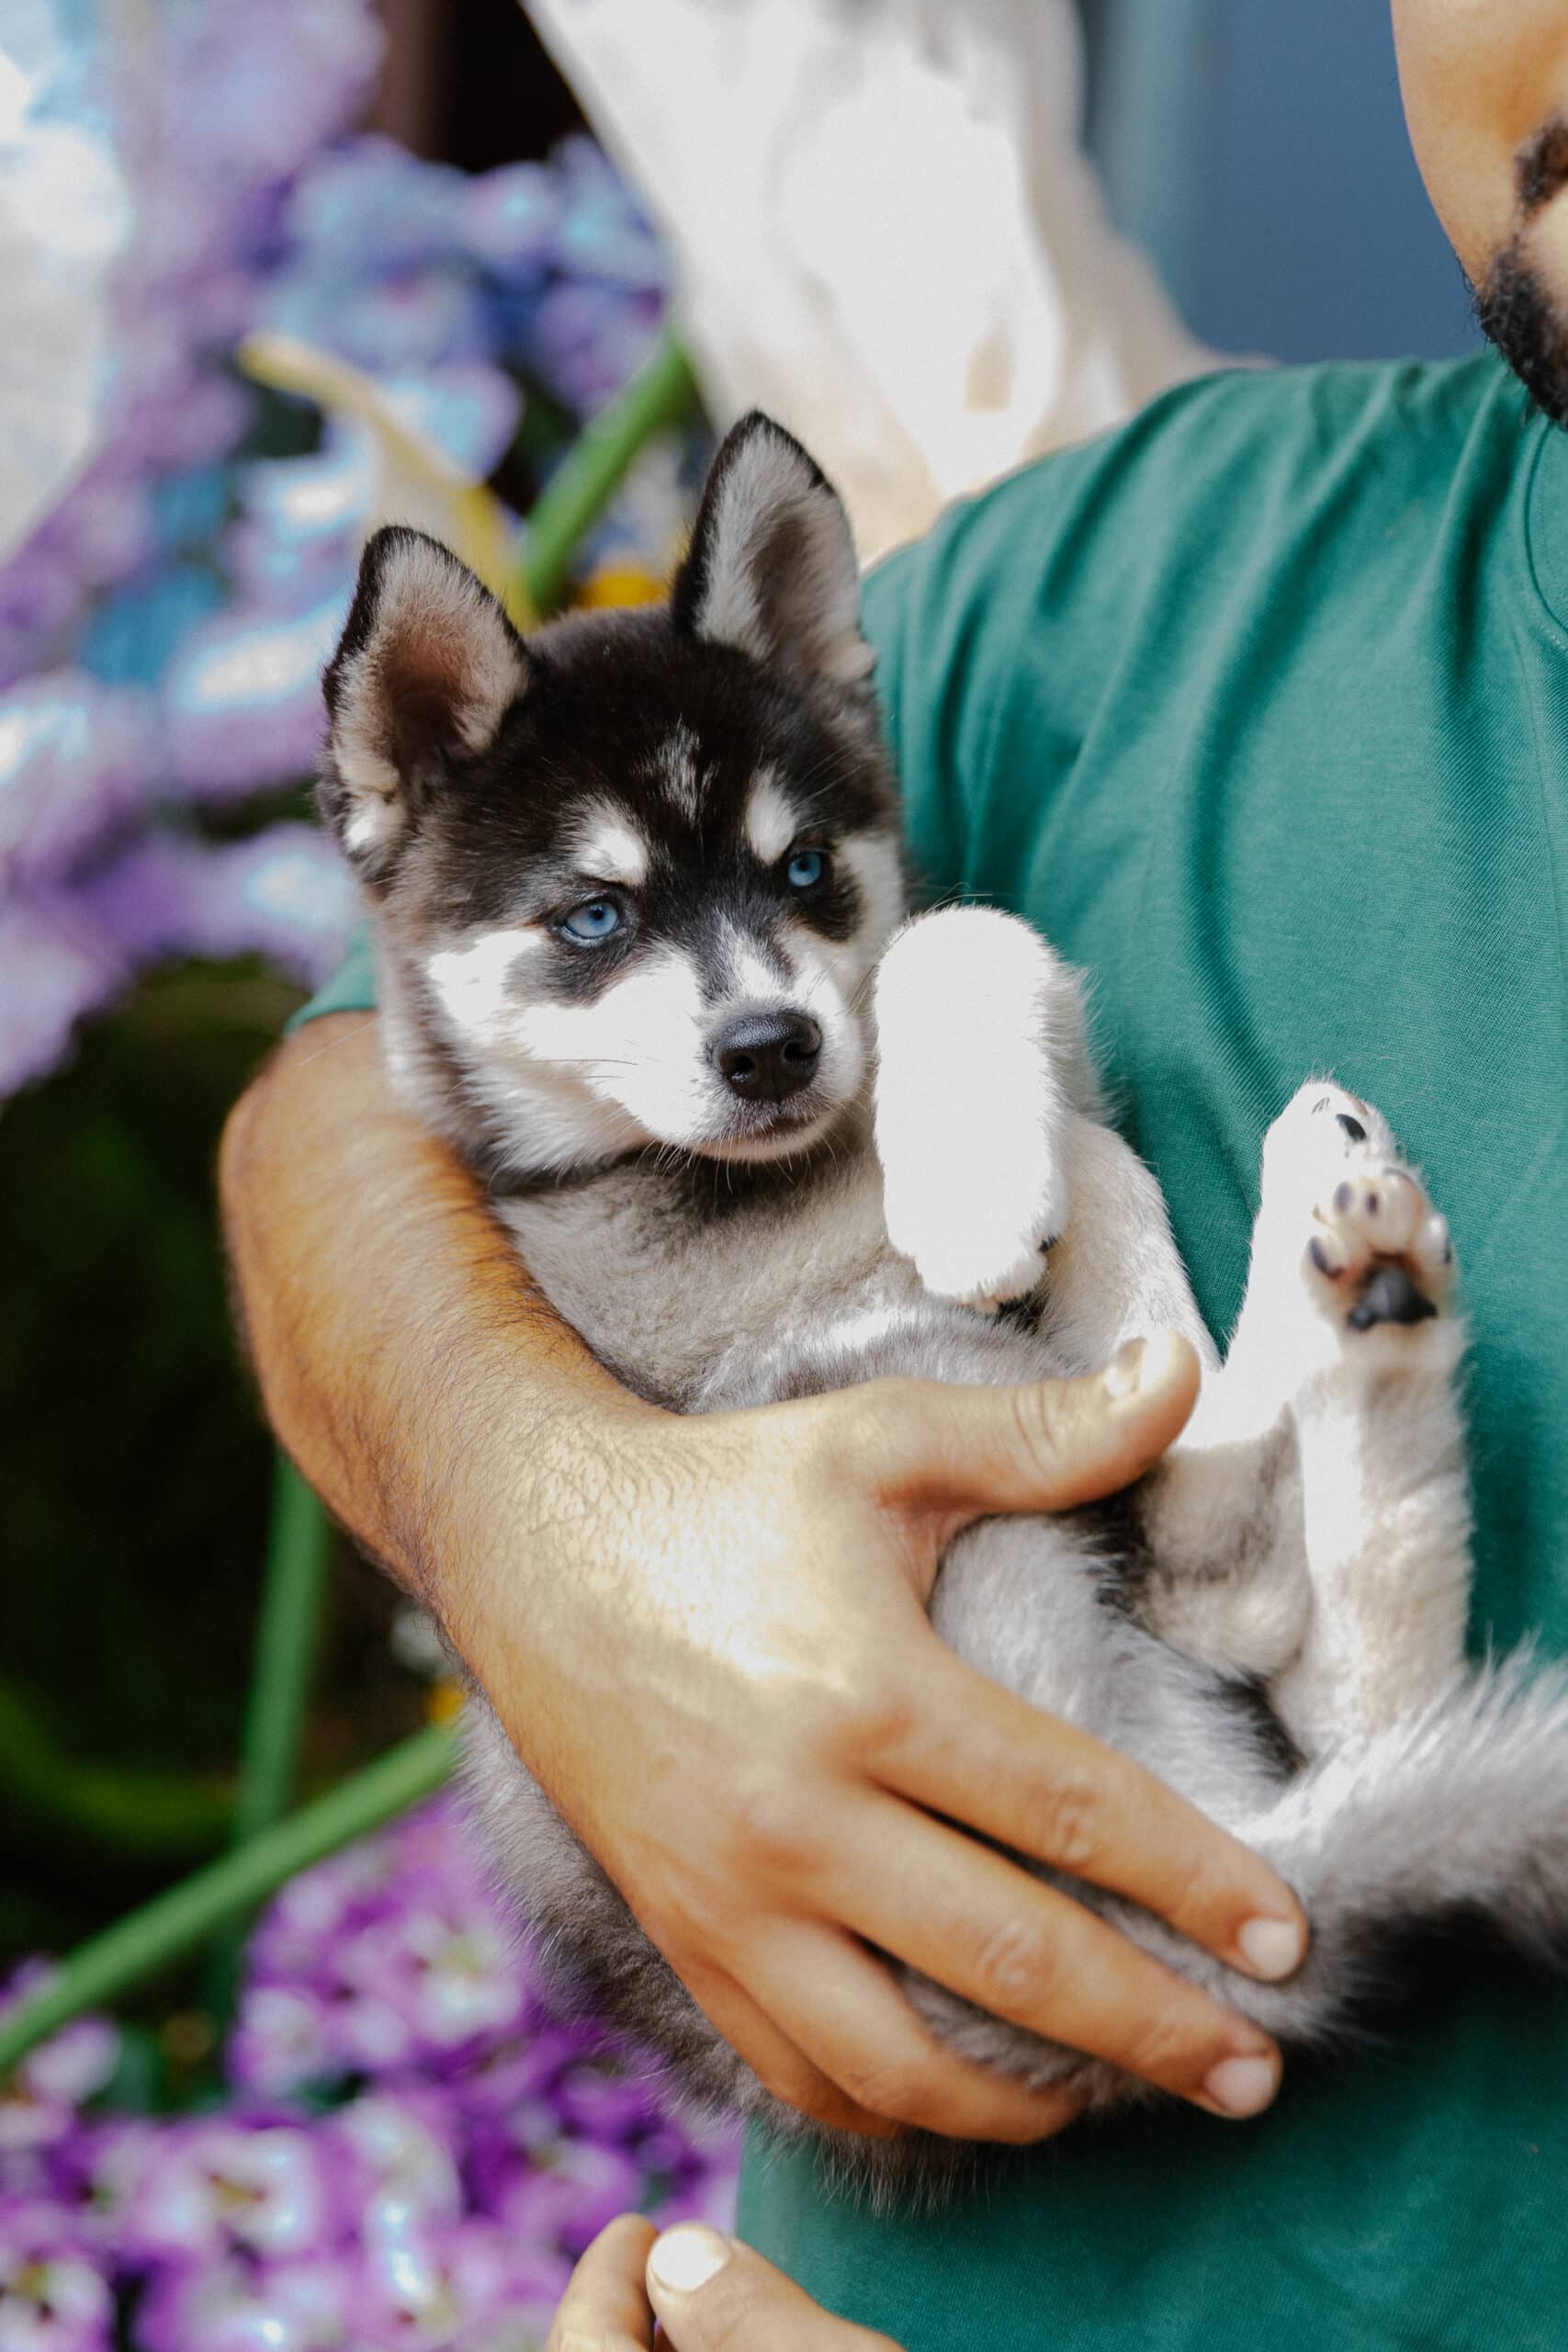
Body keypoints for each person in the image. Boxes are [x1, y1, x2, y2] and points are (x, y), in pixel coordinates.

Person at [221, 3, 1568, 2343]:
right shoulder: (1154, 571)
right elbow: (325, 1111)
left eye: (783, 902)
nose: (746, 1003)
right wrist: (550, 1519)